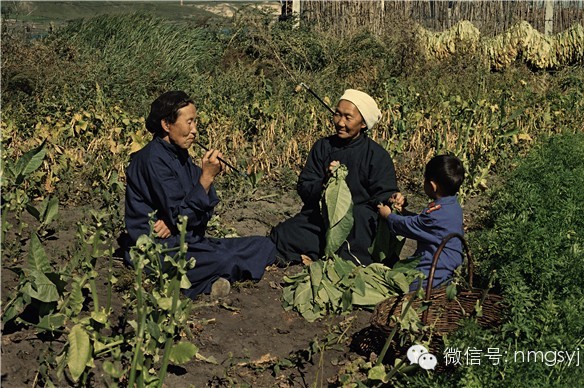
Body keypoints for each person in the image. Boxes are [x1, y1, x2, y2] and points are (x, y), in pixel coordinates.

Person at [122, 90, 276, 298]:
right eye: (189, 122)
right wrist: (205, 179)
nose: (194, 131)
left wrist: (173, 220)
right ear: (167, 125)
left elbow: (204, 209)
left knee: (262, 244)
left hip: (185, 239)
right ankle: (204, 283)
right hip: (157, 248)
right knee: (222, 258)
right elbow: (184, 215)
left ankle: (208, 278)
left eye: (195, 122)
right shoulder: (153, 160)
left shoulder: (181, 156)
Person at [270, 89, 398, 266]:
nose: (340, 122)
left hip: (357, 224)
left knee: (353, 246)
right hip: (322, 218)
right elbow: (305, 187)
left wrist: (393, 200)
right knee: (282, 235)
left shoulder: (377, 156)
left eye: (348, 117)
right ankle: (322, 250)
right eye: (337, 114)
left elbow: (384, 194)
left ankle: (333, 254)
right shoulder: (323, 147)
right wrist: (325, 182)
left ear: (363, 124)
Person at [377, 154, 465, 291]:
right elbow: (422, 224)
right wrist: (404, 213)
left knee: (388, 283)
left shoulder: (435, 215)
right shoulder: (452, 206)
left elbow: (410, 226)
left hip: (431, 276)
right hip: (447, 270)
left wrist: (388, 216)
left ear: (432, 185)